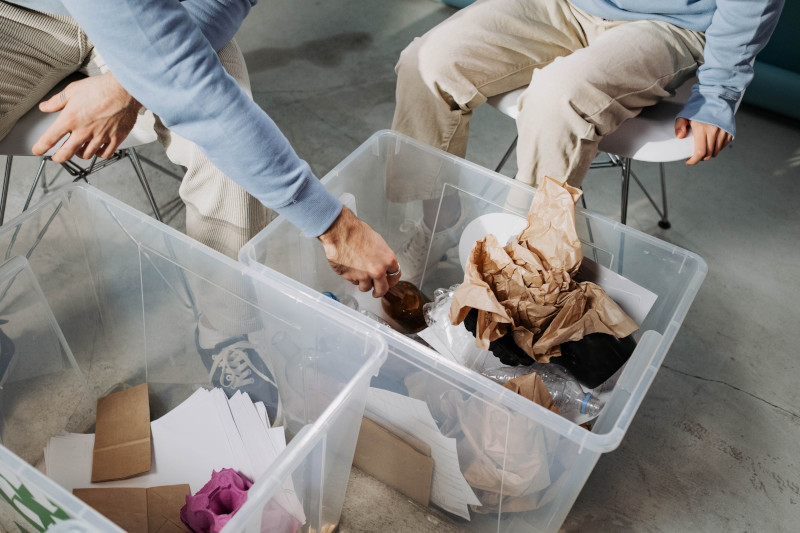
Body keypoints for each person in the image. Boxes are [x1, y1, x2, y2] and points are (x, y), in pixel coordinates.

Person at [1, 0, 401, 404]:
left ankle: (223, 330)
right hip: (22, 17)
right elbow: (184, 81)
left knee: (227, 134)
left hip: (165, 12)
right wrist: (337, 226)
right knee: (216, 111)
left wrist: (126, 84)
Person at [391, 0, 784, 281]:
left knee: (556, 101)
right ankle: (438, 223)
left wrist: (719, 93)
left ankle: (519, 269)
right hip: (567, 5)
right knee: (427, 62)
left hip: (668, 23)